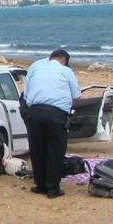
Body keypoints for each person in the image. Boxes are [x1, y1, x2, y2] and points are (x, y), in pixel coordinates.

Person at [23, 49, 80, 198]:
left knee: (37, 150)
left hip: (35, 112)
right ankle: (53, 188)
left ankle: (40, 185)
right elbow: (76, 95)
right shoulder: (66, 71)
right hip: (56, 114)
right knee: (55, 151)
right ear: (63, 60)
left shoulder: (36, 67)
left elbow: (26, 92)